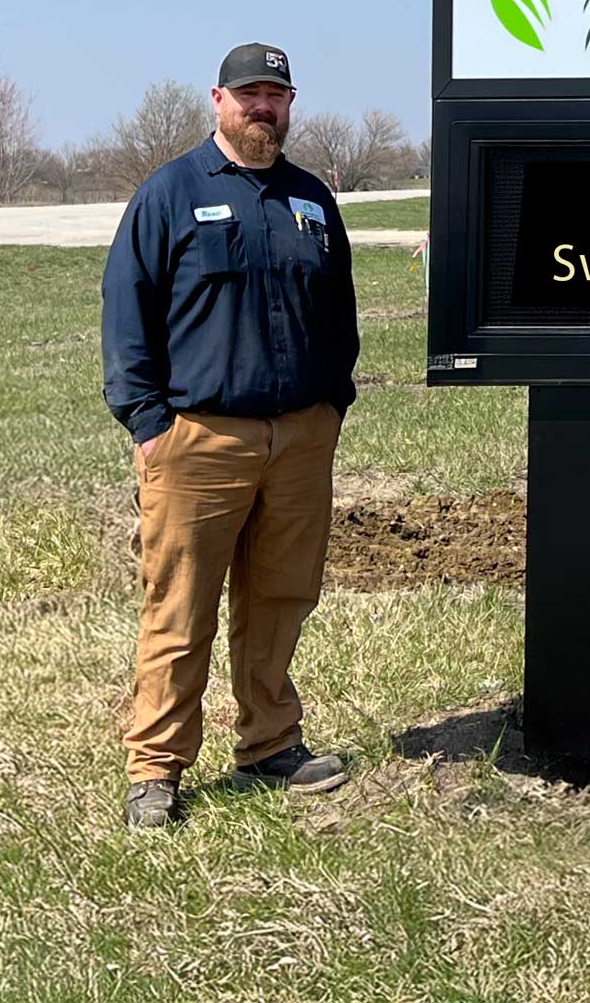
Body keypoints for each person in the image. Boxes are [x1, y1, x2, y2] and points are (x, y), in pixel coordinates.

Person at [101, 43, 359, 830]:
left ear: (291, 104)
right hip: (198, 440)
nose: (262, 107)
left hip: (299, 440)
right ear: (218, 99)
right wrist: (149, 424)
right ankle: (156, 767)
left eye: (275, 94)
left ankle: (270, 742)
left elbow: (340, 314)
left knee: (280, 598)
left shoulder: (311, 198)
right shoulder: (171, 192)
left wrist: (331, 407)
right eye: (249, 93)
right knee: (180, 607)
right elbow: (127, 312)